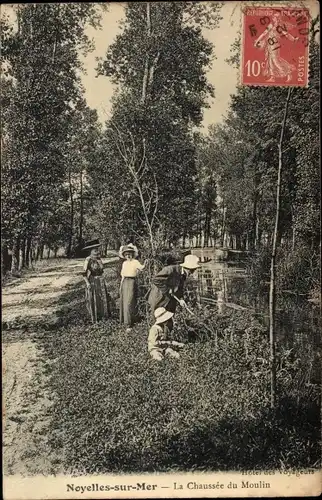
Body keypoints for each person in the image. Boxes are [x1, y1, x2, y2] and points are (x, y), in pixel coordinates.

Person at [254, 13, 299, 83]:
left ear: (278, 18)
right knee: (270, 61)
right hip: (269, 45)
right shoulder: (271, 25)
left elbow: (286, 34)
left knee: (276, 60)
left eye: (275, 17)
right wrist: (257, 40)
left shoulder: (279, 27)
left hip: (275, 45)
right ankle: (272, 77)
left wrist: (293, 39)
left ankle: (288, 73)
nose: (273, 19)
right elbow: (264, 33)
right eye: (273, 17)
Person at [82, 239, 111, 323]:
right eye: (95, 250)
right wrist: (87, 283)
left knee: (101, 297)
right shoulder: (88, 260)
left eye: (97, 250)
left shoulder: (99, 259)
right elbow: (84, 273)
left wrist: (100, 263)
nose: (97, 252)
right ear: (90, 252)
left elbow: (102, 270)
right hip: (92, 280)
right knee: (93, 297)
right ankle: (94, 317)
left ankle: (103, 315)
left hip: (100, 280)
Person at [119, 243, 146, 331]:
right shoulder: (124, 263)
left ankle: (133, 319)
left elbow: (141, 268)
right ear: (124, 255)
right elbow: (122, 275)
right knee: (125, 301)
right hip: (125, 282)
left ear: (133, 254)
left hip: (132, 282)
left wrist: (145, 263)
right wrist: (120, 285)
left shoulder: (135, 262)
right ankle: (127, 323)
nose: (128, 256)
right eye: (126, 254)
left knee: (131, 301)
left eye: (130, 254)